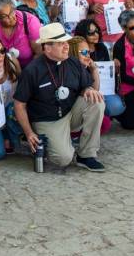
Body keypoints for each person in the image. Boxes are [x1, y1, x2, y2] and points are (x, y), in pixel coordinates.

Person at [13, 23, 107, 172]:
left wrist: (88, 90)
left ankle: (86, 155)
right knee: (63, 159)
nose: (66, 46)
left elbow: (84, 87)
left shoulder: (73, 62)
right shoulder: (32, 70)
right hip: (47, 120)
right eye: (61, 43)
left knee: (96, 102)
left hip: (69, 113)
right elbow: (19, 105)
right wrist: (29, 132)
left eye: (66, 42)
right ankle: (44, 143)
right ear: (47, 47)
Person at [67, 36, 123, 134]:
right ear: (73, 53)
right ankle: (74, 133)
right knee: (97, 107)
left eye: (89, 52)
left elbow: (95, 90)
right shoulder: (67, 69)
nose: (88, 55)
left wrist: (94, 69)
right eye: (84, 52)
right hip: (67, 116)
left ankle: (84, 141)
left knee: (104, 122)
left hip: (77, 112)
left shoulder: (83, 69)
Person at [73, 19, 125, 119]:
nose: (95, 34)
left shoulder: (102, 47)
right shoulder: (77, 50)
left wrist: (114, 67)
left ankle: (102, 115)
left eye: (97, 31)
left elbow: (107, 72)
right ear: (82, 34)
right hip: (85, 91)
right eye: (91, 33)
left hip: (104, 88)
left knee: (117, 106)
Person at [0, 0, 42, 68]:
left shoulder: (30, 21)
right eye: (5, 16)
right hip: (3, 70)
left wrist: (26, 75)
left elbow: (39, 53)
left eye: (12, 11)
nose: (12, 17)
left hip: (30, 69)